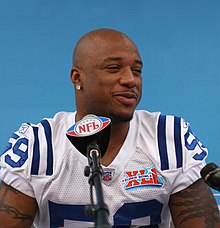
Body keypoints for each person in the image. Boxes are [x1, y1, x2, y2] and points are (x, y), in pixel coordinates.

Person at [0, 28, 219, 228]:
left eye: (137, 70)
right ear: (78, 77)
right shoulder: (39, 145)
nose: (130, 80)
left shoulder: (170, 138)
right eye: (114, 68)